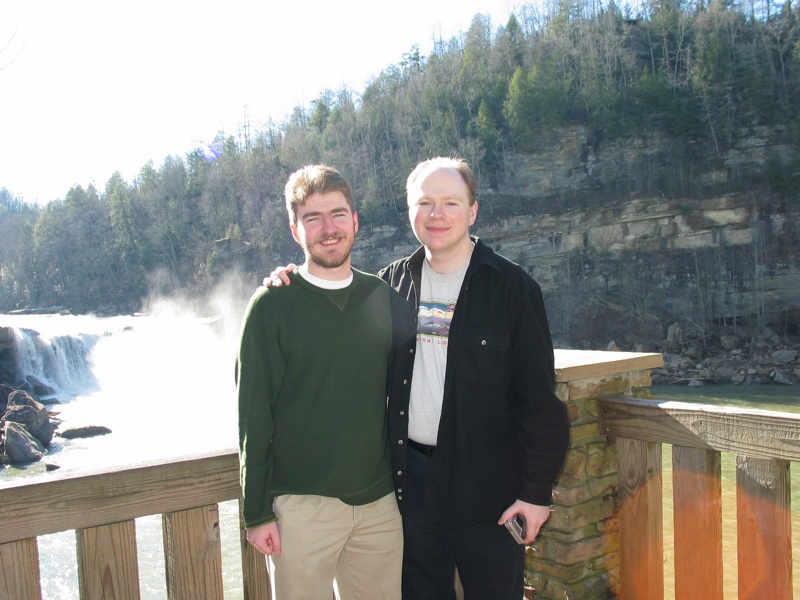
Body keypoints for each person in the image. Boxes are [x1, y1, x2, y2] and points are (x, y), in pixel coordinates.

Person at [265, 157, 569, 600]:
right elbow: (333, 315)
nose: (436, 214)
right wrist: (290, 281)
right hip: (411, 490)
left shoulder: (512, 289)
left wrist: (536, 495)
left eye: (450, 202)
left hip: (491, 494)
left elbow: (540, 402)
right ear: (409, 212)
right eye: (424, 202)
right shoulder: (390, 286)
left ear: (473, 210)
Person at [236, 164, 405, 600]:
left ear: (355, 221)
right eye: (313, 218)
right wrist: (257, 513)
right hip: (301, 509)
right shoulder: (272, 305)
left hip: (380, 505)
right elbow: (254, 414)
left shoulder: (382, 297)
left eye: (338, 214)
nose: (328, 228)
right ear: (296, 230)